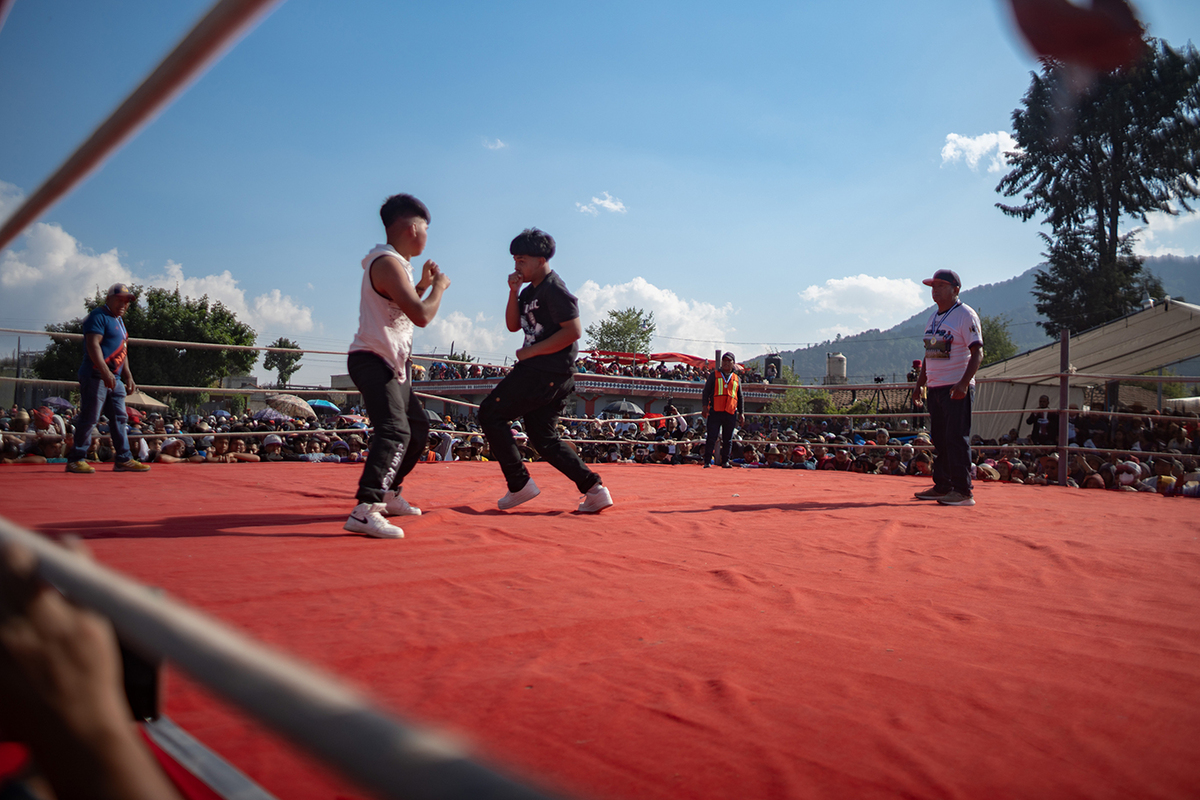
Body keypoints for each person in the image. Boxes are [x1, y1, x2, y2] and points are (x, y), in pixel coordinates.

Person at [478, 228, 613, 513]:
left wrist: (531, 352)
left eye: (522, 260)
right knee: (543, 437)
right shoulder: (529, 292)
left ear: (541, 260)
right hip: (549, 373)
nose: (516, 266)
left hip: (545, 370)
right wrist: (513, 292)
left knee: (490, 413)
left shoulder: (554, 288)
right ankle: (594, 489)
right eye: (514, 260)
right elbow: (514, 325)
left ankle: (519, 483)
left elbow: (573, 331)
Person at [343, 194, 451, 539]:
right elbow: (420, 315)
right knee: (394, 431)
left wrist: (420, 284)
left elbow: (400, 303)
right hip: (374, 358)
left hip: (393, 362)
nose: (426, 237)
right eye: (426, 229)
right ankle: (366, 507)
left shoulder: (396, 265)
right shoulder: (386, 262)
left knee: (417, 429)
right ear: (412, 227)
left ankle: (389, 493)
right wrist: (438, 289)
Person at [912, 269, 983, 506]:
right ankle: (943, 485)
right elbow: (930, 354)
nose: (935, 290)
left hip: (955, 386)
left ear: (956, 290)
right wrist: (919, 384)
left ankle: (963, 491)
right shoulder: (933, 318)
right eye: (933, 286)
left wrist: (963, 383)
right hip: (935, 387)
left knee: (956, 438)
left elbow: (977, 352)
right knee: (940, 440)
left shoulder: (965, 315)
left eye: (941, 285)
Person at [64, 284, 151, 474]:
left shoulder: (118, 320)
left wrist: (128, 375)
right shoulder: (98, 316)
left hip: (114, 378)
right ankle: (76, 458)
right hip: (96, 375)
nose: (123, 304)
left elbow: (123, 349)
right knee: (90, 417)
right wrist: (104, 371)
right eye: (120, 300)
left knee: (120, 418)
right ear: (109, 299)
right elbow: (92, 344)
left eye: (126, 301)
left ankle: (123, 458)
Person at [702, 352, 744, 468]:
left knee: (728, 439)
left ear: (733, 363)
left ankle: (725, 461)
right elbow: (706, 392)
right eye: (724, 361)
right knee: (712, 437)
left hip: (730, 412)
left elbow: (740, 397)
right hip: (715, 411)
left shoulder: (737, 378)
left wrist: (742, 413)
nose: (726, 363)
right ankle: (707, 461)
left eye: (728, 361)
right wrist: (705, 407)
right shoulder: (714, 375)